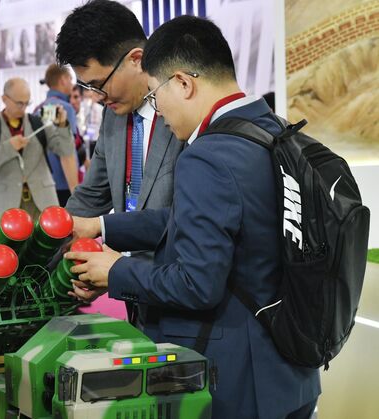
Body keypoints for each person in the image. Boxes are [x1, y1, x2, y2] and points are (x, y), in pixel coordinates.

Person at [65, 16, 321, 419]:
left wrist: (116, 272)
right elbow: (193, 222)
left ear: (183, 83)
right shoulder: (272, 130)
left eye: (155, 94)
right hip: (288, 369)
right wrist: (102, 226)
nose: (159, 111)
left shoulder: (209, 153)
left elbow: (197, 284)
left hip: (237, 380)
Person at [56, 0, 184, 323]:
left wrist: (115, 266)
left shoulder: (185, 117)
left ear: (136, 60)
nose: (97, 96)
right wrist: (45, 243)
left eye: (100, 84)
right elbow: (89, 198)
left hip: (185, 304)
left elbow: (185, 221)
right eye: (87, 87)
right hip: (137, 301)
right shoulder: (114, 118)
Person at [0, 78, 75, 220]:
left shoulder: (38, 122)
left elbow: (66, 150)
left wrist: (63, 126)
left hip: (44, 201)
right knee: (13, 243)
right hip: (9, 204)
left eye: (27, 103)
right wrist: (8, 148)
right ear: (4, 99)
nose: (23, 108)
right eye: (19, 103)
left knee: (51, 242)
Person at [33, 64, 79, 206]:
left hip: (44, 179)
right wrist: (75, 188)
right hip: (64, 181)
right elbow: (67, 150)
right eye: (71, 79)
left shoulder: (38, 109)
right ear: (63, 79)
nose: (72, 83)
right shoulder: (64, 108)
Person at [69, 85, 90, 179]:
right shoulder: (65, 124)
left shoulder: (81, 121)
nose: (72, 101)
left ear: (81, 98)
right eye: (69, 97)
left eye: (76, 97)